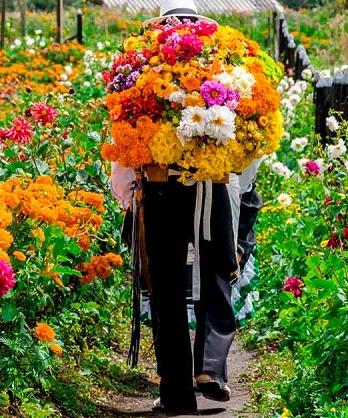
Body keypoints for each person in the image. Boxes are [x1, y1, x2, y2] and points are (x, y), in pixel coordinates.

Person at [110, 0, 244, 413]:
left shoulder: (140, 71)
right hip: (210, 187)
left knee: (165, 286)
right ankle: (210, 369)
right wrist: (233, 180)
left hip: (159, 188)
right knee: (218, 271)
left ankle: (177, 391)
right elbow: (246, 143)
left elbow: (124, 139)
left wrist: (128, 192)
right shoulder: (223, 67)